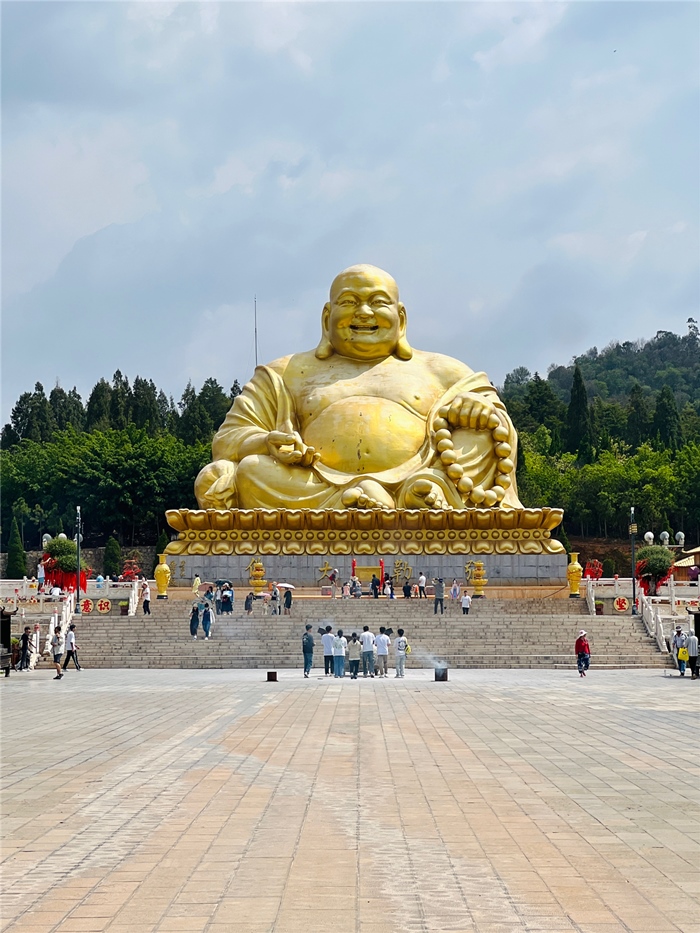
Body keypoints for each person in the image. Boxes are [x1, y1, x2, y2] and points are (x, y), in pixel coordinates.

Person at [194, 265, 521, 513]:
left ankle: (414, 492)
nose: (363, 313)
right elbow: (227, 441)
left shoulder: (444, 370)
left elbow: (501, 430)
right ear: (327, 317)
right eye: (349, 302)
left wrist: (476, 410)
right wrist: (267, 441)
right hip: (312, 487)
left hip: (421, 475)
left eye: (377, 303)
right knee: (251, 470)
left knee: (481, 436)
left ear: (401, 318)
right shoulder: (284, 373)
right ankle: (384, 500)